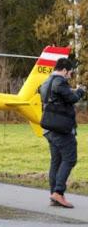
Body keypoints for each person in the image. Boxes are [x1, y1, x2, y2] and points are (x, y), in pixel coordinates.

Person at [39, 58, 85, 208]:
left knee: (56, 162)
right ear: (65, 70)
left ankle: (54, 195)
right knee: (70, 158)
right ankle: (58, 193)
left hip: (49, 128)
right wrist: (79, 91)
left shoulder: (46, 82)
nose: (70, 76)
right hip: (61, 129)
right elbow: (71, 98)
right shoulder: (59, 82)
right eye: (70, 73)